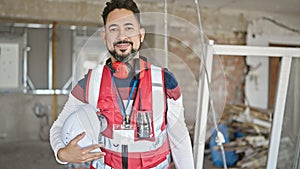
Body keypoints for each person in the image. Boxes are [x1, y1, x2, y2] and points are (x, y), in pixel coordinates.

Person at [50, 0, 195, 168]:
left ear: (141, 35)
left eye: (128, 28)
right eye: (113, 29)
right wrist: (62, 154)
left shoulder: (165, 82)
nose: (121, 36)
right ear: (105, 37)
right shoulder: (90, 84)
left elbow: (180, 140)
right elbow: (58, 127)